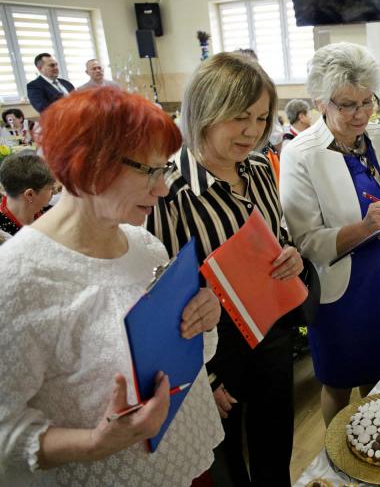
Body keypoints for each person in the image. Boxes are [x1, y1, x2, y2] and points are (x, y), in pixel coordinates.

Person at [0, 87, 223, 485]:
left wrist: (203, 319)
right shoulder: (19, 277)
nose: (163, 188)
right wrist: (94, 443)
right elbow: (5, 432)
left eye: (164, 170)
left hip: (187, 456)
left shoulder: (144, 245)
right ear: (90, 165)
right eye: (150, 171)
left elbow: (183, 356)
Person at [147, 52, 304, 487]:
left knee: (275, 450)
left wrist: (290, 253)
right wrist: (204, 378)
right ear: (206, 111)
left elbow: (277, 235)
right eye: (239, 117)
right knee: (226, 465)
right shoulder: (171, 190)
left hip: (271, 331)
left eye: (261, 118)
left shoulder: (259, 168)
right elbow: (162, 295)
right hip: (215, 353)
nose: (252, 131)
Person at [280, 42, 380, 427]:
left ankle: (378, 439)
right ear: (320, 102)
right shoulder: (301, 153)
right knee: (338, 381)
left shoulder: (378, 137)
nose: (361, 114)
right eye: (348, 105)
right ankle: (337, 450)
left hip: (379, 275)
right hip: (337, 287)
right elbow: (306, 241)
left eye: (367, 101)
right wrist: (365, 228)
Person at [0, 152, 55, 236]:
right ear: (30, 194)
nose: (53, 192)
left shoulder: (49, 212)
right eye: (50, 188)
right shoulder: (2, 233)